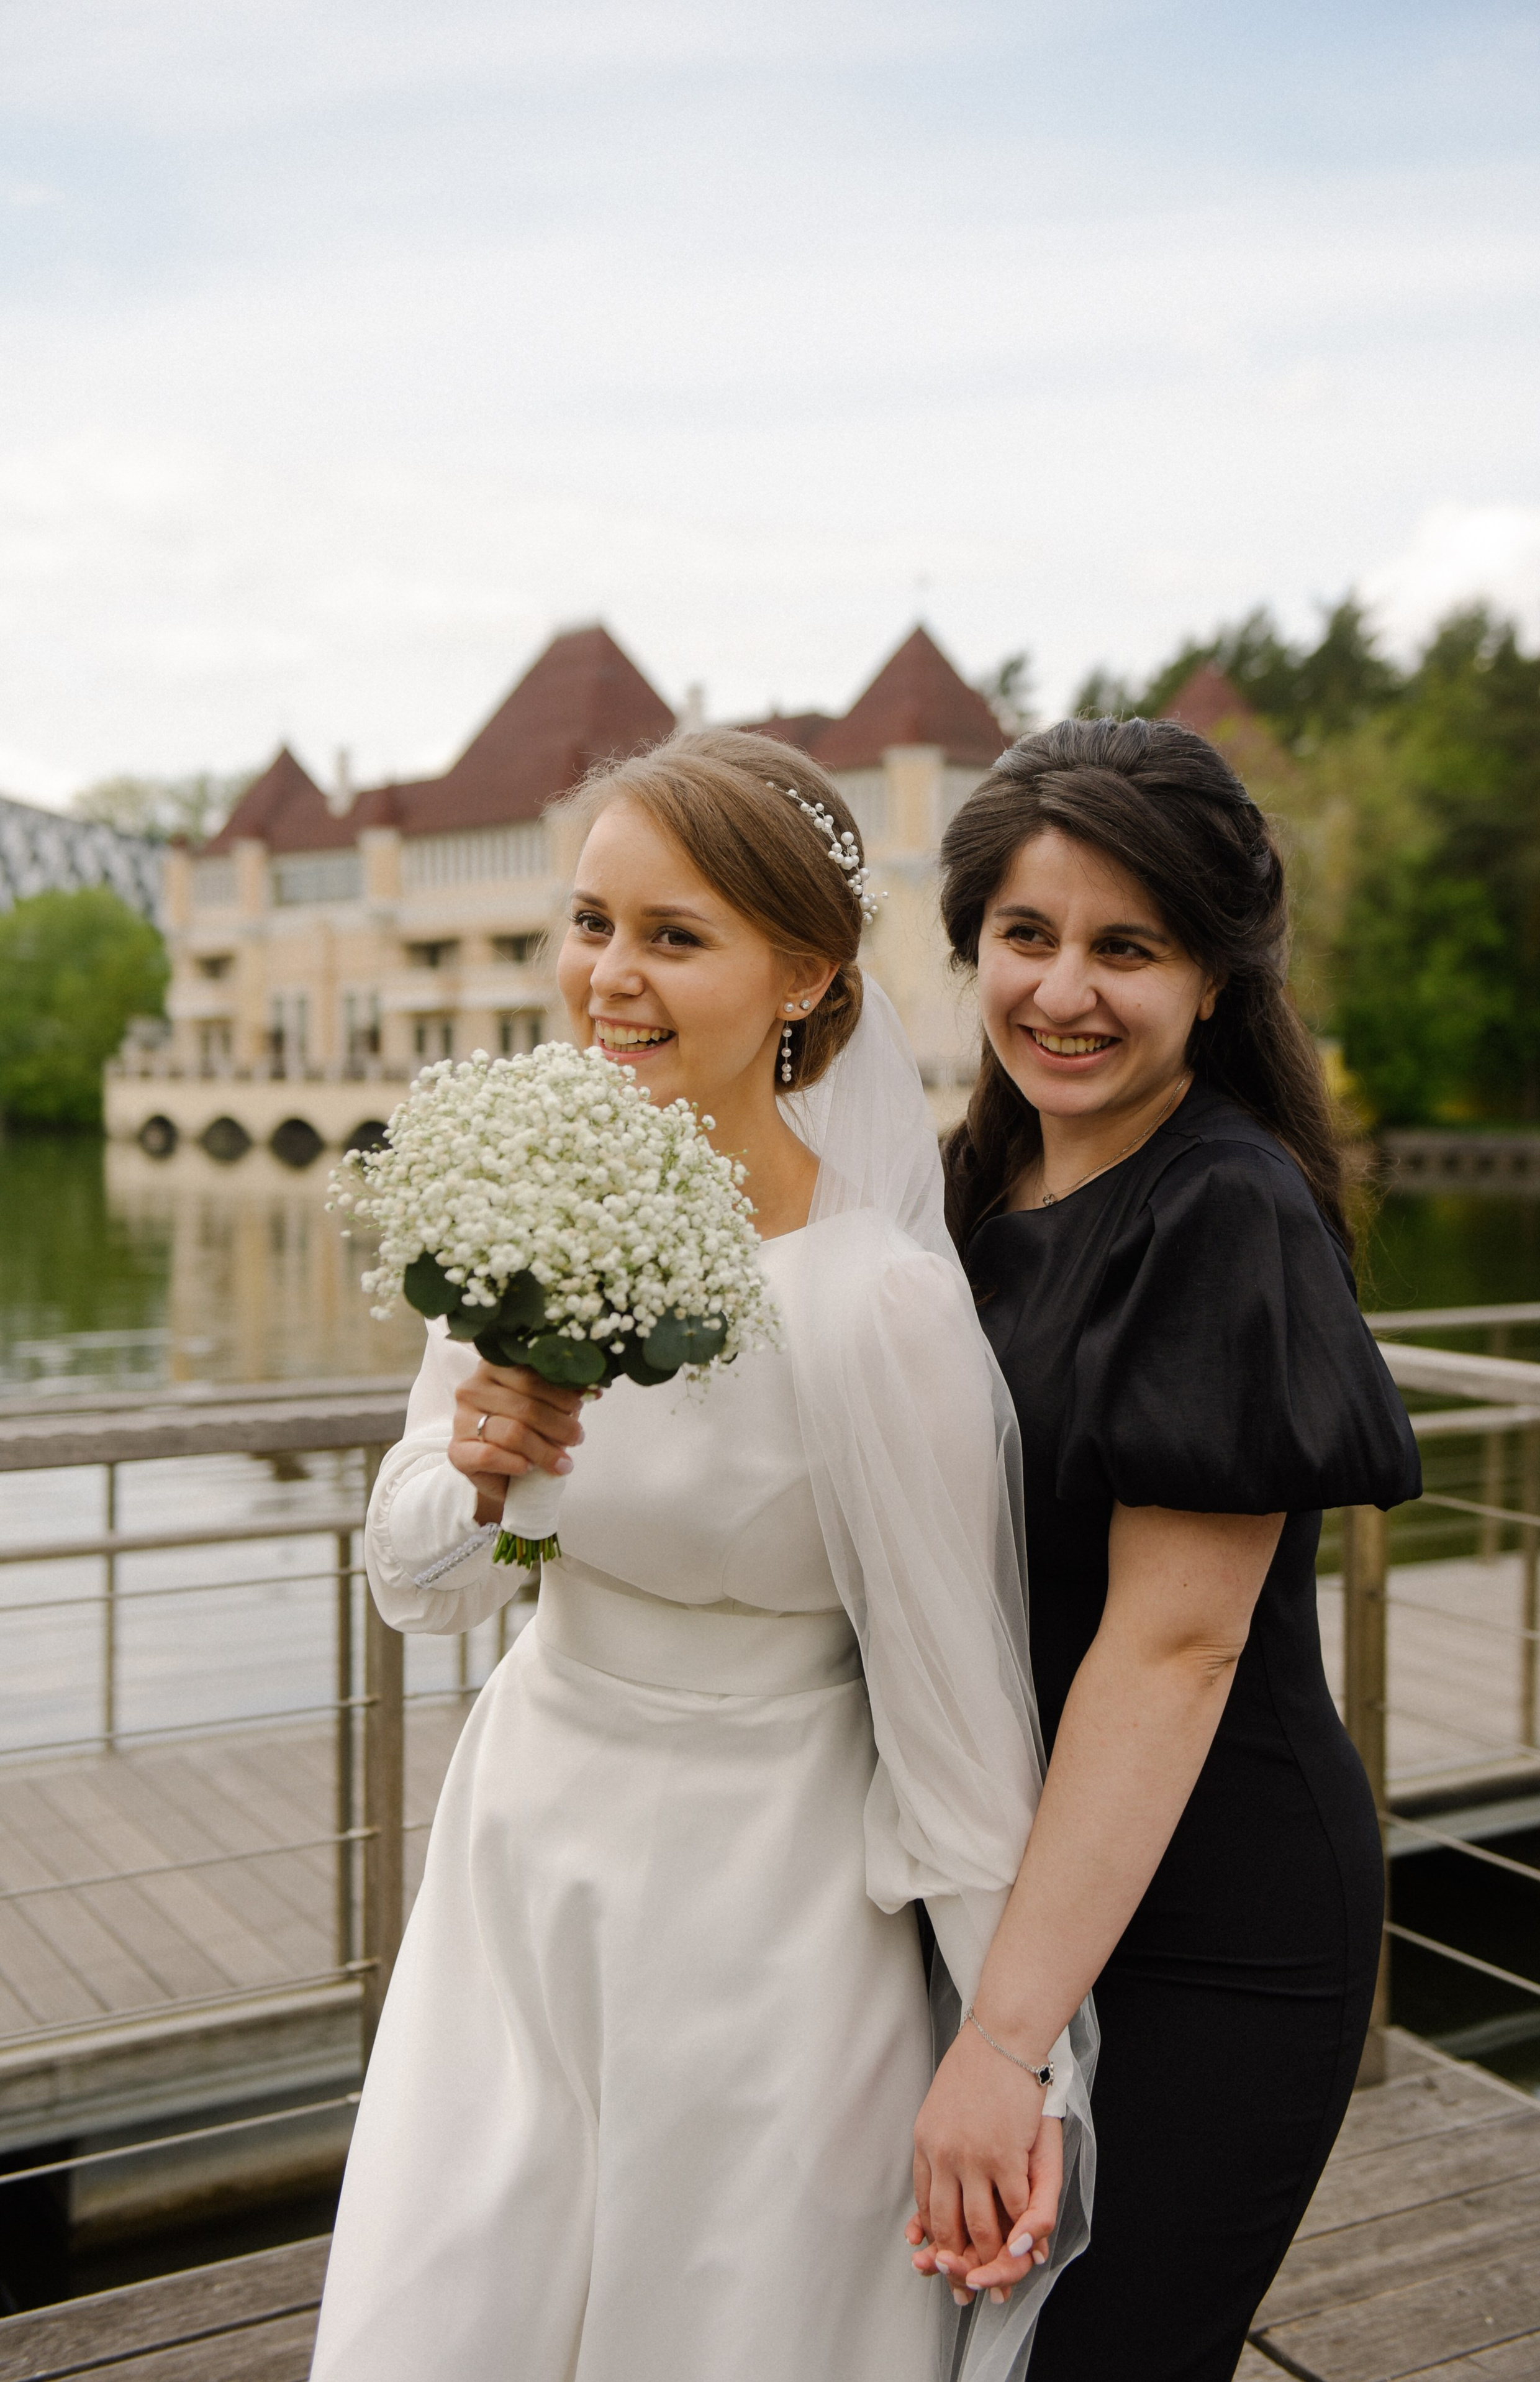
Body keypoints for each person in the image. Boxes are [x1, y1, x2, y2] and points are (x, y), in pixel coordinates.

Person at [309, 729, 1094, 2382]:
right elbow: (418, 1580)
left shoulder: (875, 1301)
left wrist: (1013, 2055)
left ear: (804, 973)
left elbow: (956, 1719)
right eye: (593, 922)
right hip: (527, 1844)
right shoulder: (529, 1211)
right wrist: (483, 1468)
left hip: (770, 1896)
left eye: (675, 935)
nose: (611, 976)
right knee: (452, 2301)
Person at [908, 718, 1421, 2381]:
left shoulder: (1224, 1208)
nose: (1064, 990)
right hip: (1016, 1882)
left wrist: (1005, 2042)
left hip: (1216, 1920)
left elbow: (1175, 1648)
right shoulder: (970, 1185)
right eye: (1027, 934)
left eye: (1126, 948)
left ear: (1213, 977)